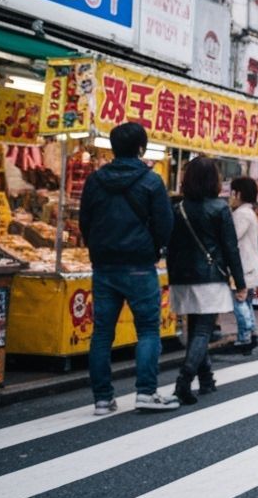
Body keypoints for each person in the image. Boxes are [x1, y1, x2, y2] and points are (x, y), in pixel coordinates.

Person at [79, 122, 176, 414]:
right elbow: (165, 224)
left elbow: (85, 221)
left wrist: (97, 248)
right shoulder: (151, 181)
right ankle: (146, 392)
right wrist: (156, 248)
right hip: (139, 265)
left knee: (102, 333)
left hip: (104, 266)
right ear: (141, 148)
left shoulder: (95, 181)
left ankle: (102, 398)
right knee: (147, 330)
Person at [167, 157, 246, 404]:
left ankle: (207, 378)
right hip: (210, 275)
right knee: (203, 328)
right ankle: (185, 378)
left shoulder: (177, 208)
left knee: (194, 327)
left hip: (182, 275)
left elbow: (171, 246)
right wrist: (240, 282)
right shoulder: (220, 208)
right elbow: (231, 248)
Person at [229, 176, 258, 355]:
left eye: (232, 193)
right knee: (246, 301)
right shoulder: (248, 212)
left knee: (239, 300)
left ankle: (245, 335)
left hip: (243, 266)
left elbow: (232, 237)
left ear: (238, 193)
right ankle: (252, 332)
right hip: (249, 265)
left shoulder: (242, 214)